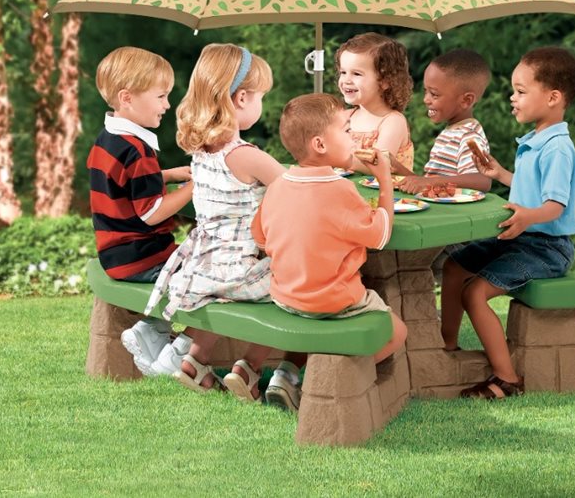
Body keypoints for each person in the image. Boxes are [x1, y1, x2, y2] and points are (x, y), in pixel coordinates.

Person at [144, 43, 304, 397]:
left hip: (205, 265)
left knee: (227, 294)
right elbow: (299, 191)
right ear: (242, 98)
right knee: (298, 283)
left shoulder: (200, 152)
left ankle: (195, 362)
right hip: (240, 270)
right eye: (261, 96)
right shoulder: (247, 155)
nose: (262, 104)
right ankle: (250, 368)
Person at [245, 93, 408, 408]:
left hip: (285, 296)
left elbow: (261, 238)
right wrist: (385, 180)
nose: (353, 138)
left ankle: (286, 374)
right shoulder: (341, 190)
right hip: (334, 302)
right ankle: (322, 382)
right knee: (397, 332)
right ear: (320, 144)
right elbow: (381, 234)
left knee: (314, 308)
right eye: (346, 130)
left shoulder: (277, 186)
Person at [441, 46, 575, 400]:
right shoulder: (537, 140)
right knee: (454, 266)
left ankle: (507, 379)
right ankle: (447, 347)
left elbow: (554, 206)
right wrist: (501, 174)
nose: (512, 97)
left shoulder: (557, 148)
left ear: (553, 98)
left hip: (546, 248)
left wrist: (527, 216)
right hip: (520, 237)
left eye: (521, 91)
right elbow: (532, 188)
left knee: (475, 293)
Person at [88, 46, 194, 377]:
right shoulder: (138, 150)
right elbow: (152, 213)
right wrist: (195, 187)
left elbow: (122, 184)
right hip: (143, 259)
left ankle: (155, 330)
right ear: (127, 98)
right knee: (212, 271)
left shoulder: (107, 139)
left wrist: (167, 175)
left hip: (114, 255)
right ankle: (160, 336)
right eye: (161, 96)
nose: (167, 105)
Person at [394, 48, 493, 194]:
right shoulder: (451, 132)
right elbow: (427, 183)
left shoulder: (469, 135)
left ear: (466, 100)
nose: (426, 99)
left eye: (434, 94)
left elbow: (482, 180)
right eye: (426, 91)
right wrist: (395, 167)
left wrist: (429, 182)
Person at [336, 32, 414, 172]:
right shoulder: (344, 117)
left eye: (356, 74)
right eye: (343, 72)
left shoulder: (392, 121)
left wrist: (336, 158)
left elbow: (379, 164)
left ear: (385, 81)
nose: (346, 80)